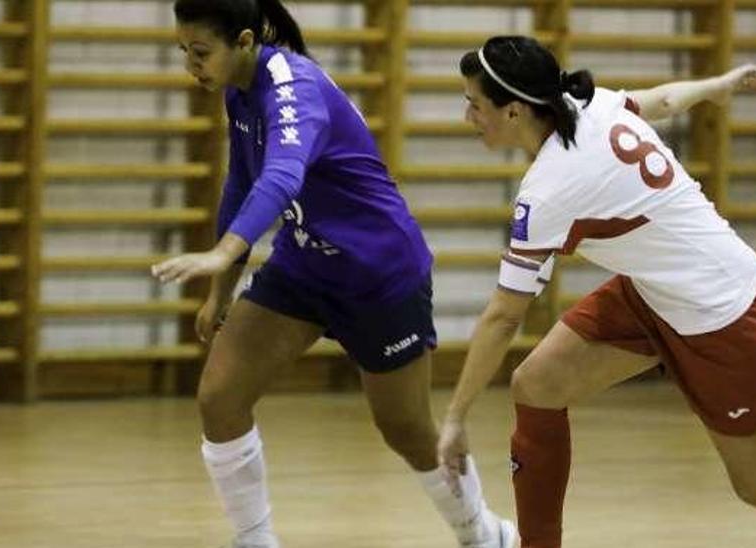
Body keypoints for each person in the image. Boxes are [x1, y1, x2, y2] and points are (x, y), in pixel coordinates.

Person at [437, 35, 756, 548]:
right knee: (537, 383)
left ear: (514, 111)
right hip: (656, 293)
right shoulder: (587, 104)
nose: (466, 115)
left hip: (721, 309)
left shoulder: (550, 190)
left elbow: (502, 317)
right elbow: (665, 101)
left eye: (474, 104)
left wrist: (454, 419)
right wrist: (716, 86)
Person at [151, 2, 517, 547]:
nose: (190, 65)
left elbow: (281, 176)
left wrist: (222, 253)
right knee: (220, 397)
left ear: (245, 40)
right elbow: (240, 184)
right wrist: (219, 291)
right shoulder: (238, 90)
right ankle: (256, 542)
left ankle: (486, 535)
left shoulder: (292, 87)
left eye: (200, 52)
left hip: (378, 272)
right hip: (305, 266)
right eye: (183, 51)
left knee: (407, 431)